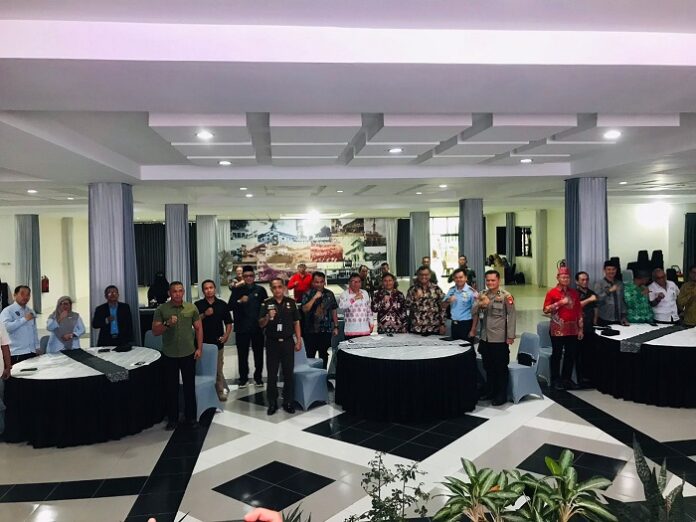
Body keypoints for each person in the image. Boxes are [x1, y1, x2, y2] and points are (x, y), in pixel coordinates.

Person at [152, 281, 203, 430]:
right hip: (170, 355)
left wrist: (199, 348)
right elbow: (155, 331)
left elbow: (199, 328)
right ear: (169, 293)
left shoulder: (191, 307)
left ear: (183, 292)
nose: (178, 294)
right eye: (174, 291)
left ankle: (191, 418)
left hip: (188, 353)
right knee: (171, 388)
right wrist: (167, 324)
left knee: (189, 387)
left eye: (180, 291)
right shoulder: (162, 309)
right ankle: (173, 419)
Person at [470, 270, 516, 405]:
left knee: (500, 368)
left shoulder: (506, 296)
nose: (490, 283)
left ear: (498, 280)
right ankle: (491, 391)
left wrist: (510, 336)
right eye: (488, 280)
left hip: (499, 338)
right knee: (488, 367)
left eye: (493, 280)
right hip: (485, 338)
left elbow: (512, 316)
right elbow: (473, 311)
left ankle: (501, 395)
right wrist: (479, 303)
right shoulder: (483, 294)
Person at [259, 278, 302, 415]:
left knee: (288, 373)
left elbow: (296, 322)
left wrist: (298, 340)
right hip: (272, 343)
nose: (277, 290)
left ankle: (288, 401)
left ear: (283, 288)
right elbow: (261, 324)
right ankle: (272, 402)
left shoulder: (291, 302)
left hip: (288, 342)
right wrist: (267, 317)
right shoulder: (266, 303)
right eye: (274, 287)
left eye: (279, 287)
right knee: (272, 374)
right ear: (271, 289)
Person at [543, 267, 583, 390]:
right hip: (558, 329)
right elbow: (545, 309)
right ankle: (555, 379)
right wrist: (560, 303)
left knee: (570, 355)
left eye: (567, 277)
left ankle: (567, 379)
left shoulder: (574, 293)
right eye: (563, 277)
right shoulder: (552, 293)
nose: (565, 279)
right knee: (557, 354)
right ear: (558, 278)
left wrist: (580, 328)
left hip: (572, 329)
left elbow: (579, 311)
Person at [229, 265, 268, 387]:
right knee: (242, 355)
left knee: (258, 354)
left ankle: (258, 378)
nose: (249, 278)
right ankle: (243, 378)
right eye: (246, 276)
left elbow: (266, 306)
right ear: (243, 277)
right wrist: (240, 301)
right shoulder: (237, 290)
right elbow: (229, 306)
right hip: (242, 328)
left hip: (257, 328)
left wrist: (265, 321)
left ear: (254, 276)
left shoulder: (260, 290)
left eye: (251, 276)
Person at [195, 279, 233, 401]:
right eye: (206, 288)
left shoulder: (222, 304)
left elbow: (228, 323)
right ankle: (203, 393)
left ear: (215, 289)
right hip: (201, 343)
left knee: (218, 369)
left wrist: (226, 335)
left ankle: (219, 391)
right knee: (202, 369)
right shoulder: (198, 305)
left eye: (211, 288)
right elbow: (194, 322)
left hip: (217, 343)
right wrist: (204, 314)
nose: (209, 290)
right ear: (203, 291)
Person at [301, 271, 338, 368]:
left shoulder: (329, 294)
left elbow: (334, 310)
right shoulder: (307, 294)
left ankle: (323, 375)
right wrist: (314, 298)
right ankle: (310, 375)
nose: (319, 284)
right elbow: (304, 309)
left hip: (325, 330)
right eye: (316, 282)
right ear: (312, 282)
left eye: (321, 282)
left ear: (324, 282)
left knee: (324, 355)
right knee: (310, 355)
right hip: (310, 331)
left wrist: (336, 326)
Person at [0, 285, 40, 364]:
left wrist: (37, 347)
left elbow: (34, 331)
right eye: (22, 294)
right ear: (15, 295)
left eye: (28, 294)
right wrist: (24, 319)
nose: (25, 297)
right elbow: (6, 328)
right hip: (16, 353)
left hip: (31, 352)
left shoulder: (30, 311)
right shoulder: (8, 311)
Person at [406, 266, 446, 335]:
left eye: (426, 275)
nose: (423, 277)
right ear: (418, 275)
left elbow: (442, 307)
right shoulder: (412, 289)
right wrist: (415, 298)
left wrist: (442, 324)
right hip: (417, 327)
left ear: (430, 275)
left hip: (433, 327)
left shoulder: (436, 289)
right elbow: (407, 306)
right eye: (421, 275)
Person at [575, 271, 598, 387]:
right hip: (578, 328)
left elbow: (595, 309)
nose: (585, 282)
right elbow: (576, 306)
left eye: (587, 279)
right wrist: (589, 300)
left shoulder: (591, 293)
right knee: (579, 354)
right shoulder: (574, 293)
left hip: (590, 327)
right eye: (582, 280)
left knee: (589, 353)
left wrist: (595, 321)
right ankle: (580, 378)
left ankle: (589, 377)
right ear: (577, 281)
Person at [443, 268, 477, 341]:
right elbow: (443, 306)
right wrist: (448, 301)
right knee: (455, 346)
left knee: (467, 346)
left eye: (461, 277)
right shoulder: (451, 290)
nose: (458, 279)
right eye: (456, 277)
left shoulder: (471, 292)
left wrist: (473, 329)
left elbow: (475, 312)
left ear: (466, 278)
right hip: (454, 324)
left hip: (466, 324)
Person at [338, 273, 373, 339]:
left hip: (364, 329)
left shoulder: (364, 293)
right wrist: (354, 299)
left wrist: (371, 323)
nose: (357, 284)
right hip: (351, 331)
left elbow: (368, 309)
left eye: (359, 281)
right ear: (349, 282)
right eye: (354, 281)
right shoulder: (344, 294)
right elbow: (341, 306)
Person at [594, 261, 629, 326]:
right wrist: (609, 290)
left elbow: (622, 301)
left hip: (618, 319)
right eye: (609, 269)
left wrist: (623, 316)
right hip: (604, 318)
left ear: (616, 270)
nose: (611, 271)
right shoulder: (599, 283)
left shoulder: (620, 283)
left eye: (613, 269)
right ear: (604, 270)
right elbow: (597, 299)